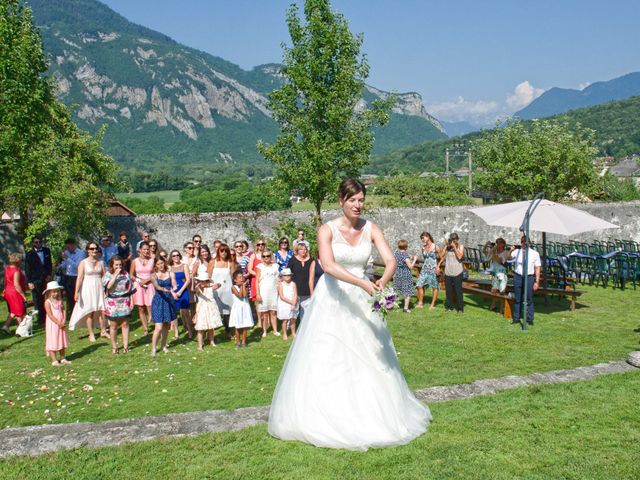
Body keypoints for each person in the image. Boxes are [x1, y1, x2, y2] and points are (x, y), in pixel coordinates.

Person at [268, 178, 431, 450]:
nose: (357, 205)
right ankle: (327, 413)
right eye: (352, 200)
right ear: (341, 200)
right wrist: (363, 283)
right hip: (333, 297)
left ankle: (374, 412)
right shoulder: (326, 230)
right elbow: (329, 265)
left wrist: (382, 282)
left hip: (366, 295)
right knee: (330, 353)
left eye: (361, 200)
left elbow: (390, 260)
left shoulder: (371, 227)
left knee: (371, 351)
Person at [69, 242, 107, 341]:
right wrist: (76, 292)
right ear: (88, 250)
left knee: (102, 310)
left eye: (96, 248)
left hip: (99, 287)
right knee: (89, 311)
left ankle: (103, 331)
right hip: (87, 288)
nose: (94, 250)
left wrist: (107, 288)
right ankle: (91, 333)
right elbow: (80, 278)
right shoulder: (83, 262)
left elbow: (105, 276)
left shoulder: (101, 262)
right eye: (92, 248)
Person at [103, 256, 134, 354]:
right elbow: (108, 286)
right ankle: (114, 347)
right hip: (112, 302)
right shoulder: (108, 275)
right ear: (112, 265)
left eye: (120, 264)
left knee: (125, 324)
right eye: (116, 265)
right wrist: (115, 275)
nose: (118, 266)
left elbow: (130, 289)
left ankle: (126, 346)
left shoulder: (126, 274)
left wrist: (132, 301)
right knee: (113, 325)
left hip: (125, 300)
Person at [510, 236, 541, 326]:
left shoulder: (535, 253)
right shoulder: (517, 252)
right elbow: (508, 257)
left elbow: (537, 267)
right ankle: (516, 318)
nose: (524, 243)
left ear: (529, 243)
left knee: (529, 299)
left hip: (529, 277)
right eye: (522, 241)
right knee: (517, 299)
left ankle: (530, 318)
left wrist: (537, 281)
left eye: (525, 242)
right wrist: (511, 250)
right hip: (518, 276)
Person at [150, 257, 178, 355]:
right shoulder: (153, 275)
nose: (161, 265)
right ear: (155, 265)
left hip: (168, 301)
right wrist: (164, 289)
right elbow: (156, 286)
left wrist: (174, 290)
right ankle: (153, 348)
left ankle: (163, 345)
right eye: (158, 264)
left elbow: (174, 285)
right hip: (158, 301)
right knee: (158, 327)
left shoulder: (170, 274)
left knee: (166, 325)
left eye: (162, 263)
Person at [25, 235, 52, 324]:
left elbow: (49, 263)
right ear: (33, 243)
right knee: (37, 300)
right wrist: (29, 282)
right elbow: (27, 269)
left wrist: (49, 274)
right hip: (35, 280)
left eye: (40, 242)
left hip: (46, 278)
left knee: (47, 297)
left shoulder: (46, 250)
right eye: (36, 242)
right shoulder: (29, 254)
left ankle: (49, 316)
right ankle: (41, 319)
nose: (39, 243)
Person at [193, 272, 223, 351]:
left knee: (211, 326)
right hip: (202, 309)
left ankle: (212, 341)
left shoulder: (210, 288)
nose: (203, 283)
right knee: (201, 328)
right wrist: (199, 285)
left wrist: (211, 285)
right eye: (202, 281)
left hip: (211, 308)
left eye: (205, 281)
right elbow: (195, 290)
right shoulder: (198, 288)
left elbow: (219, 285)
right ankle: (200, 345)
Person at [43, 281, 70, 366]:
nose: (56, 293)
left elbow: (63, 310)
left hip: (61, 322)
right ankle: (54, 360)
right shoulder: (47, 302)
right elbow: (50, 314)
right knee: (53, 339)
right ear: (49, 292)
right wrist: (58, 322)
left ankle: (63, 358)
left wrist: (64, 320)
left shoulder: (60, 300)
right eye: (54, 291)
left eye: (57, 291)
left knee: (61, 339)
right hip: (53, 324)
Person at [130, 241, 155, 336]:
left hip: (150, 285)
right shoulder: (135, 261)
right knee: (140, 308)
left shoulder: (152, 260)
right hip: (139, 285)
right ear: (140, 250)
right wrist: (138, 280)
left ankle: (155, 323)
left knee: (151, 305)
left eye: (147, 249)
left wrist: (147, 280)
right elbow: (131, 275)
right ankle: (145, 328)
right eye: (144, 249)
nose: (146, 251)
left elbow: (154, 273)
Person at [255, 249, 279, 337]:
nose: (266, 258)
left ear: (271, 256)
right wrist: (258, 294)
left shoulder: (275, 266)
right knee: (264, 313)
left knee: (273, 312)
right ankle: (264, 331)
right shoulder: (259, 266)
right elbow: (257, 281)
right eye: (264, 256)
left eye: (268, 256)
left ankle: (275, 330)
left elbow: (278, 279)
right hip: (263, 292)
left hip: (273, 291)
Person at [211, 243, 234, 339]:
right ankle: (212, 333)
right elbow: (208, 277)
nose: (224, 253)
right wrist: (211, 287)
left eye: (226, 251)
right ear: (218, 251)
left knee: (227, 312)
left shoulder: (230, 262)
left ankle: (228, 331)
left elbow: (233, 277)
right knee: (213, 311)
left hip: (227, 290)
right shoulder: (213, 262)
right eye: (221, 250)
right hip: (215, 291)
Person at [169, 250, 192, 339]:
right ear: (171, 257)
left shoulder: (184, 266)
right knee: (174, 313)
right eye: (174, 255)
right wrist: (172, 292)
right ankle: (176, 332)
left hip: (183, 290)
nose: (176, 257)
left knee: (185, 312)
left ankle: (190, 330)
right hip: (173, 291)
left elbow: (188, 280)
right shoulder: (169, 268)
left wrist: (180, 291)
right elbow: (168, 281)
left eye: (177, 255)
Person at [439, 233, 465, 314]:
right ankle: (449, 307)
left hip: (458, 272)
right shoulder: (448, 246)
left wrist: (454, 248)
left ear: (458, 239)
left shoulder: (461, 246)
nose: (454, 241)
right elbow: (441, 256)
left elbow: (460, 257)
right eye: (452, 239)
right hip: (448, 272)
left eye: (455, 239)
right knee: (448, 291)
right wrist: (446, 247)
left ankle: (460, 309)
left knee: (458, 291)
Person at [2, 253, 27, 334]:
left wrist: (4, 290)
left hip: (8, 291)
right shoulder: (16, 271)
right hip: (15, 293)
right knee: (20, 310)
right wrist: (23, 295)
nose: (21, 261)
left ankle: (6, 326)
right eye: (21, 260)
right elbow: (16, 284)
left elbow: (5, 281)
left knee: (13, 310)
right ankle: (20, 330)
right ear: (17, 261)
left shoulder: (7, 268)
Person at [416, 232, 441, 311]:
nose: (423, 240)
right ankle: (420, 303)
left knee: (434, 287)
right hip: (425, 269)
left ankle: (433, 304)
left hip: (433, 269)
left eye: (423, 238)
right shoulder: (423, 247)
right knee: (419, 285)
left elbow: (442, 257)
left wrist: (438, 266)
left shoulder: (435, 247)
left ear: (428, 237)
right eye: (422, 238)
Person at [229, 269, 254, 348]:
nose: (242, 279)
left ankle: (243, 342)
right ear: (235, 280)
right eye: (239, 278)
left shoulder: (246, 287)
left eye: (242, 277)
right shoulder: (233, 287)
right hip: (237, 308)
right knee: (237, 326)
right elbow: (240, 296)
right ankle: (238, 342)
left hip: (245, 307)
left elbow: (244, 295)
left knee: (244, 325)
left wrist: (244, 286)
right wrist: (243, 285)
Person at [60, 238, 85, 315]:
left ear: (74, 245)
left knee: (77, 295)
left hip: (77, 276)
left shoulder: (81, 253)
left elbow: (78, 266)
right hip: (68, 277)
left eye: (69, 247)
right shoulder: (66, 252)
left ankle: (79, 313)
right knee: (69, 296)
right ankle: (71, 313)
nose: (67, 249)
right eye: (66, 247)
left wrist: (68, 258)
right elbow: (65, 264)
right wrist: (60, 265)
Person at [484, 238, 509, 312]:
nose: (497, 244)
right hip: (495, 274)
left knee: (502, 291)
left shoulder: (505, 253)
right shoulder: (494, 251)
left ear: (503, 244)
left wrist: (494, 252)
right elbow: (485, 254)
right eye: (497, 242)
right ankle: (493, 306)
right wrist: (486, 245)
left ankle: (502, 308)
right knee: (494, 291)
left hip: (502, 274)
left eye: (499, 242)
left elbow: (499, 261)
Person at [288, 242, 311, 318]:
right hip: (295, 288)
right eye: (301, 249)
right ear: (297, 250)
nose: (303, 251)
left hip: (307, 289)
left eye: (305, 249)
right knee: (295, 309)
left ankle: (303, 325)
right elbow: (287, 273)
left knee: (305, 309)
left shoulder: (311, 260)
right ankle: (292, 325)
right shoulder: (292, 260)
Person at [393, 239, 417, 313]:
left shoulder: (396, 253)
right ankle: (405, 308)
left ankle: (390, 305)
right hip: (405, 274)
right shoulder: (405, 255)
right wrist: (415, 260)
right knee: (407, 291)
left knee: (397, 289)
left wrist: (410, 257)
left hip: (398, 273)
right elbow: (410, 267)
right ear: (406, 247)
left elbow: (403, 258)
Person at [277, 268, 298, 341]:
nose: (287, 277)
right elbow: (282, 296)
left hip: (293, 302)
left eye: (289, 275)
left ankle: (293, 332)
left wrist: (294, 303)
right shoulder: (280, 284)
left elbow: (295, 294)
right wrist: (291, 302)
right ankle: (285, 334)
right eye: (285, 275)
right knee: (285, 320)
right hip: (284, 303)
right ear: (282, 276)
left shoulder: (293, 284)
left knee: (293, 319)